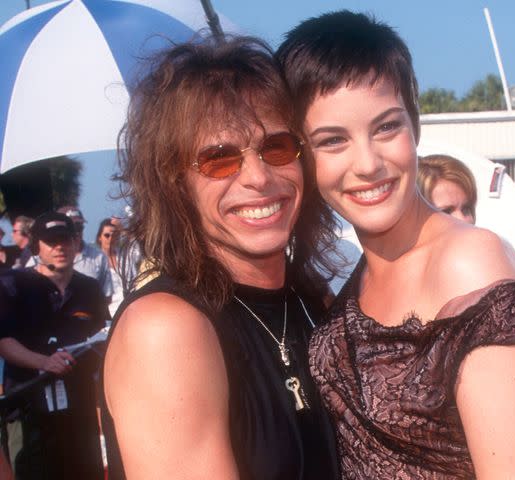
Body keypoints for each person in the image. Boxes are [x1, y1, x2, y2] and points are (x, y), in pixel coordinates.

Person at [277, 11, 515, 478]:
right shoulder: (358, 271)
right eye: (333, 141)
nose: (367, 163)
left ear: (415, 127)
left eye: (386, 127)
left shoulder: (470, 264)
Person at [101, 36, 340, 480]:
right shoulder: (167, 330)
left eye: (277, 147)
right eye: (219, 158)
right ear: (174, 182)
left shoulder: (310, 300)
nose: (258, 177)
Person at [417, 154, 515, 404]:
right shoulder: (401, 289)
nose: (465, 219)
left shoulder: (499, 277)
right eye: (447, 210)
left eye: (467, 208)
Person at [0, 212, 108, 480]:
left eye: (66, 240)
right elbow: (4, 341)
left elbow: (102, 336)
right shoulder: (14, 285)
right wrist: (44, 362)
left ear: (75, 243)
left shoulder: (89, 288)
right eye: (51, 241)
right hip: (30, 412)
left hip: (79, 412)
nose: (60, 247)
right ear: (37, 246)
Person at [95, 218, 136, 317]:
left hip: (130, 310)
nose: (110, 239)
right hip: (107, 314)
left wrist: (122, 229)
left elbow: (137, 246)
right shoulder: (95, 260)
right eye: (107, 235)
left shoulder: (126, 256)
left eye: (115, 235)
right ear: (99, 237)